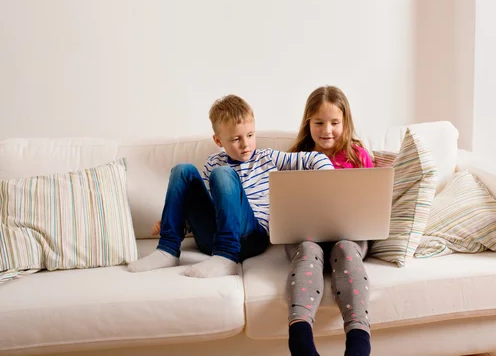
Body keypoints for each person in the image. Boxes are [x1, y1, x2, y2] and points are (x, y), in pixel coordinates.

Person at [128, 94, 333, 278]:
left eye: (250, 135)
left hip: (250, 237)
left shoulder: (267, 157)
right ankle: (167, 250)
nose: (245, 144)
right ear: (218, 140)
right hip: (212, 238)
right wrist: (176, 221)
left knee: (224, 173)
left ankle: (227, 256)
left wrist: (328, 176)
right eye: (236, 139)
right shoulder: (212, 163)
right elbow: (204, 207)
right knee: (183, 170)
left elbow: (312, 158)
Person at [285, 86, 373, 356]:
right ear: (307, 123)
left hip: (350, 237)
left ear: (345, 122)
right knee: (309, 250)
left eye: (335, 123)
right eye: (319, 123)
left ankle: (359, 344)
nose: (327, 130)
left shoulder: (358, 156)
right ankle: (301, 341)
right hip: (306, 236)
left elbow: (370, 202)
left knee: (345, 248)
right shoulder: (295, 158)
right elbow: (284, 204)